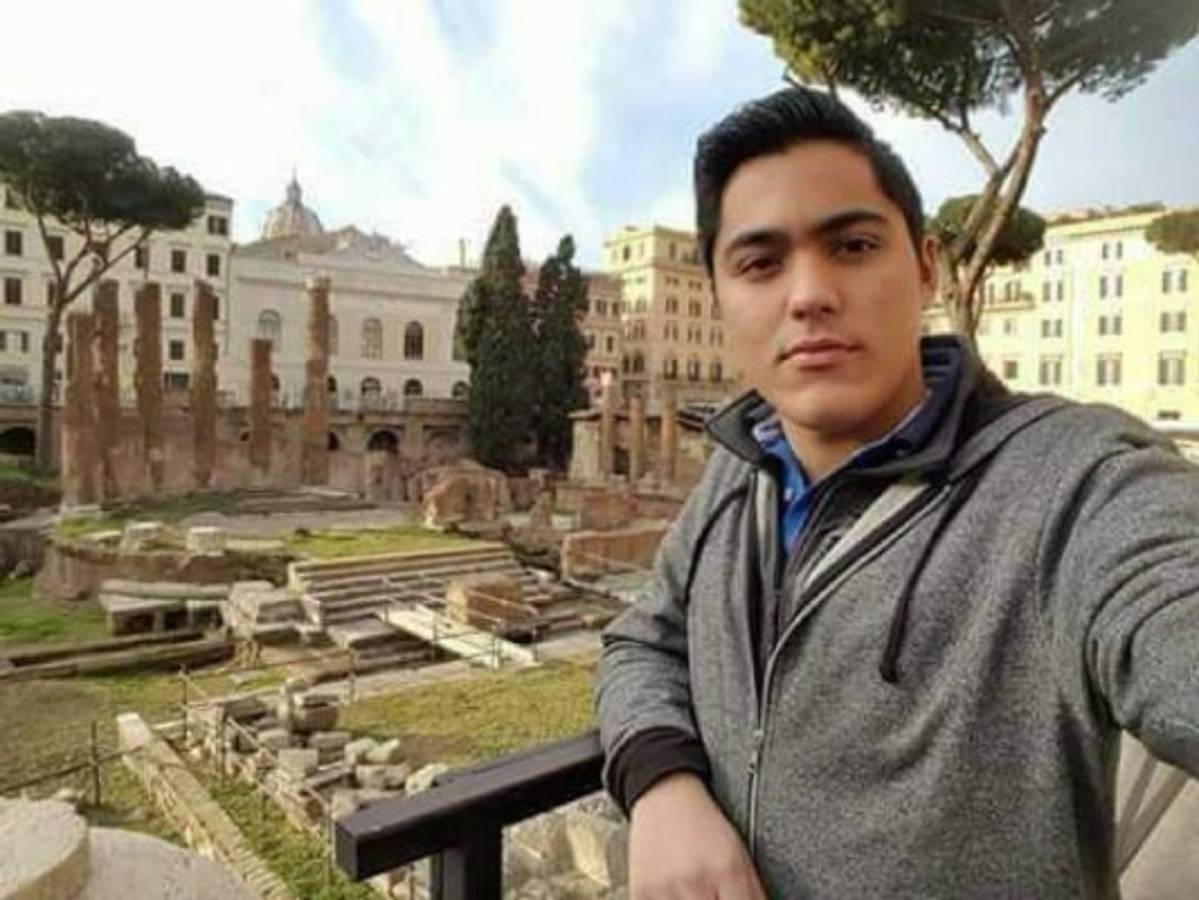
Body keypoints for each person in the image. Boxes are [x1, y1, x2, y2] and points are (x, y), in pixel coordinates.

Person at [594, 86, 1199, 899]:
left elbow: (1165, 600)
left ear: (924, 267)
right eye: (760, 263)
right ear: (719, 295)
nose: (807, 294)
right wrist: (660, 781)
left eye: (851, 245)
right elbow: (642, 642)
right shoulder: (740, 466)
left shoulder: (1076, 480)